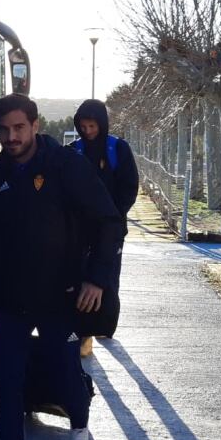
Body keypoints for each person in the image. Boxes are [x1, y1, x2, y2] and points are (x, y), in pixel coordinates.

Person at [0, 94, 123, 440]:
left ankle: (79, 424)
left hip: (62, 295)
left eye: (19, 128)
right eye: (4, 130)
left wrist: (97, 279)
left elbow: (109, 222)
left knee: (63, 372)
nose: (12, 137)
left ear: (36, 125)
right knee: (5, 383)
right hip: (11, 300)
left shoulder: (65, 167)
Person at [69, 99, 139, 356]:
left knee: (107, 276)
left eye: (92, 126)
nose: (88, 131)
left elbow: (129, 186)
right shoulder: (74, 151)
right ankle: (84, 329)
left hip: (111, 228)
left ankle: (105, 325)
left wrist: (113, 215)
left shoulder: (118, 149)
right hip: (80, 229)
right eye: (83, 126)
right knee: (81, 276)